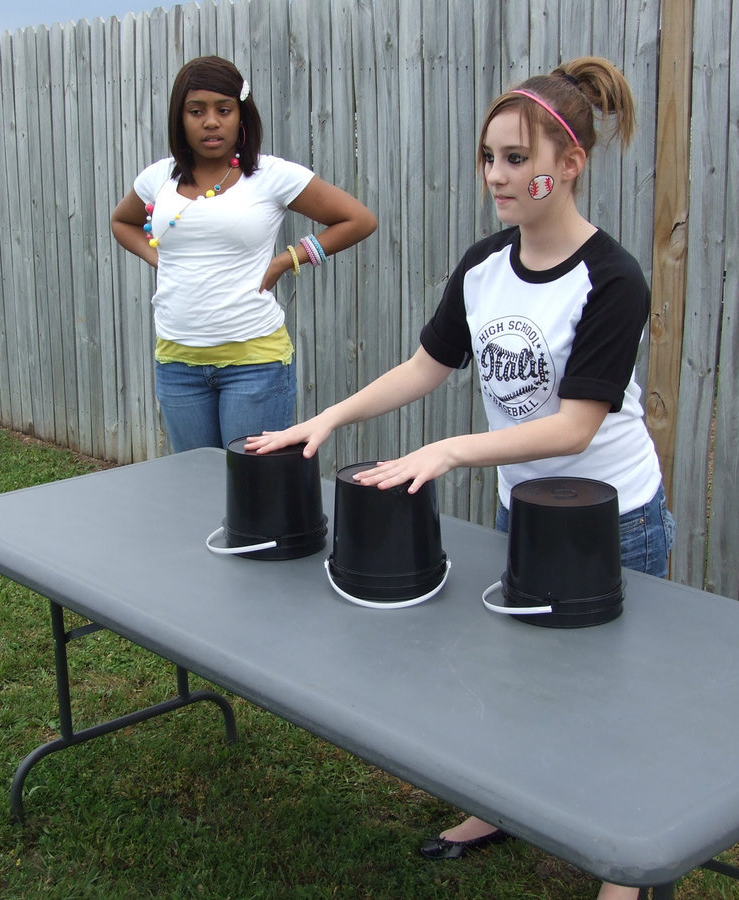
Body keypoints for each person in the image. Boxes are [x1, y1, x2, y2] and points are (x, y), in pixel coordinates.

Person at [247, 57, 674, 900]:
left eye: (517, 158)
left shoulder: (612, 278)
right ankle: (502, 804)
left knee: (612, 689)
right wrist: (327, 418)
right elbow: (423, 367)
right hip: (526, 509)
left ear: (570, 163)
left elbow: (576, 425)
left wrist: (447, 452)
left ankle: (626, 868)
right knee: (521, 670)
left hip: (612, 517)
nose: (497, 176)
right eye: (488, 157)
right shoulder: (485, 267)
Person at [111, 55, 376, 452]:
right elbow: (122, 222)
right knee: (196, 489)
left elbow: (358, 219)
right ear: (179, 118)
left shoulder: (270, 176)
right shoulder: (158, 178)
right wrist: (159, 259)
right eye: (196, 111)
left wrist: (289, 259)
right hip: (177, 364)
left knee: (254, 493)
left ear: (242, 116)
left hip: (255, 364)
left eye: (224, 109)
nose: (211, 121)